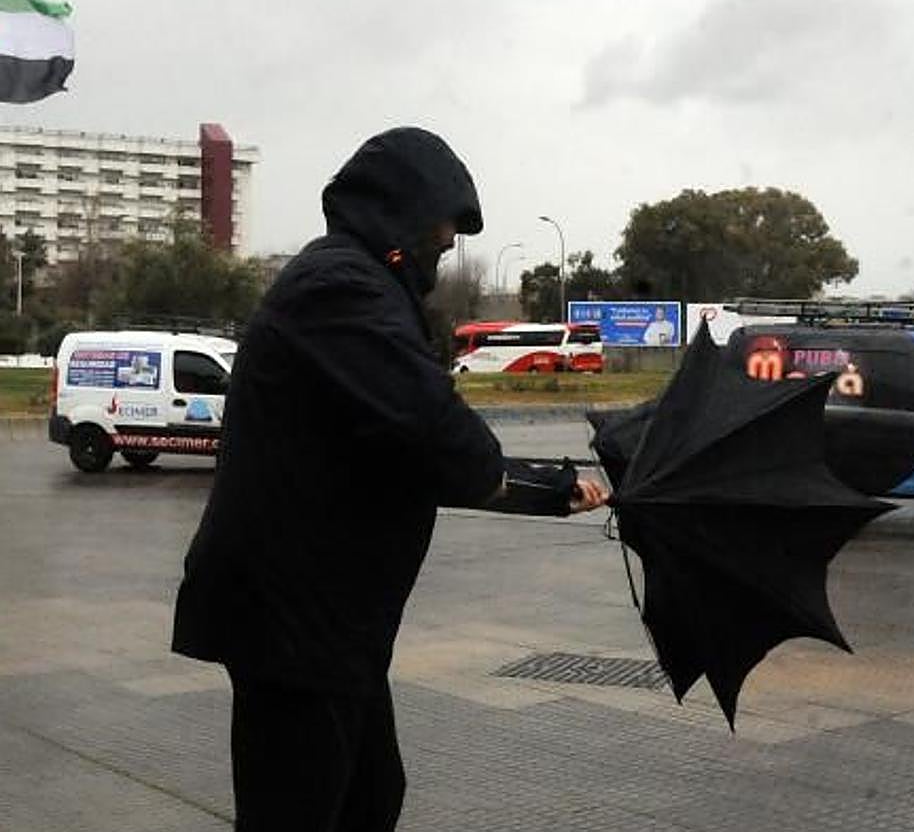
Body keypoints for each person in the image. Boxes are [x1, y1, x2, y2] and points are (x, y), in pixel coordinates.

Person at [171, 127, 607, 832]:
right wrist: (529, 485)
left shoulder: (361, 284)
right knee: (302, 811)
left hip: (325, 621)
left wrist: (549, 487)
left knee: (369, 798)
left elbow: (411, 449)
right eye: (442, 225)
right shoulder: (338, 288)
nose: (446, 243)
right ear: (397, 211)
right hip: (292, 618)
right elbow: (431, 425)